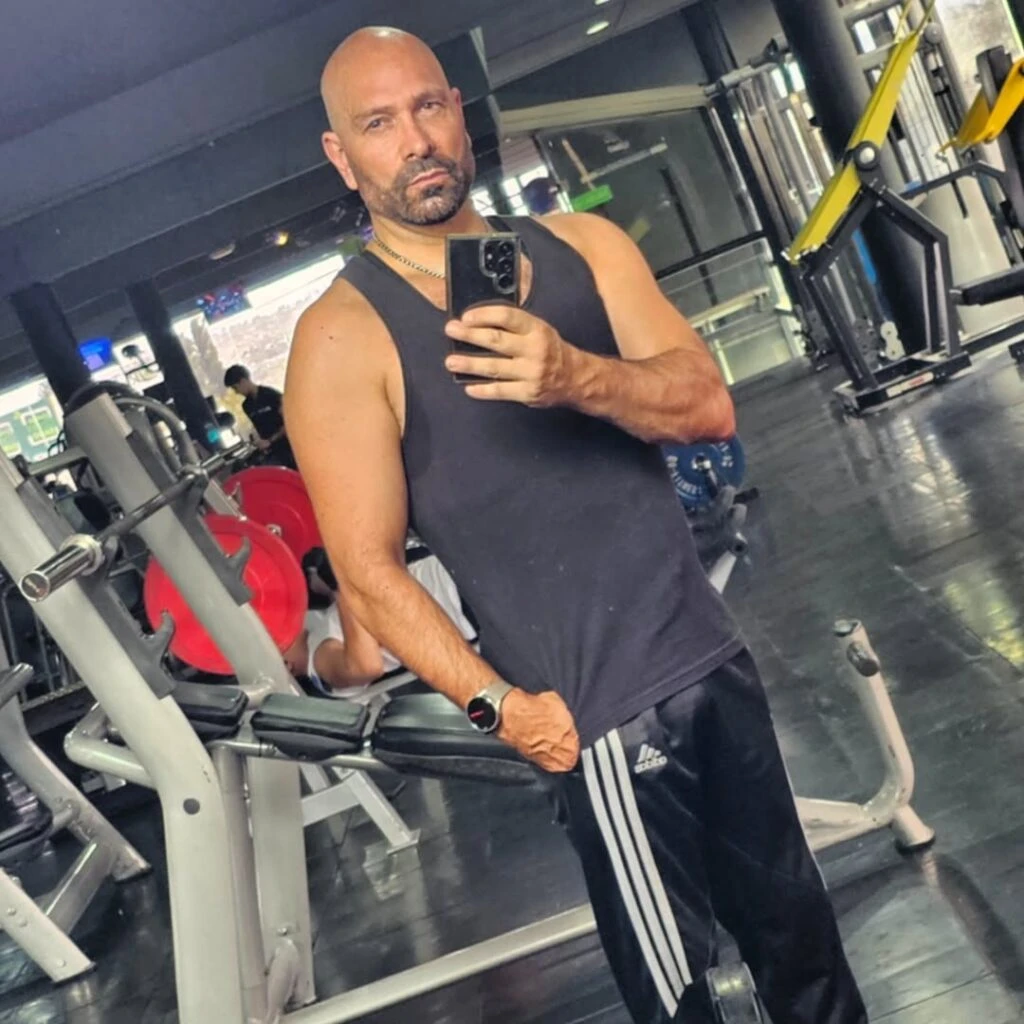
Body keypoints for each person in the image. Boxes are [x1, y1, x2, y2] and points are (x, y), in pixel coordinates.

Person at [284, 26, 866, 1024]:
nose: (415, 140)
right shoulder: (341, 336)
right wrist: (497, 710)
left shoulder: (582, 248)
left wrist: (574, 376)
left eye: (428, 106)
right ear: (343, 157)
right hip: (590, 716)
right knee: (680, 1001)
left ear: (458, 113)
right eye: (378, 124)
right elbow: (367, 572)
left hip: (708, 656)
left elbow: (705, 405)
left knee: (803, 942)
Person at [284, 546, 477, 698]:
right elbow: (364, 667)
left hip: (448, 570)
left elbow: (358, 617)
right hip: (456, 598)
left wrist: (321, 584)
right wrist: (341, 584)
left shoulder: (318, 635)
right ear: (287, 665)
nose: (275, 630)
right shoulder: (319, 662)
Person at [223, 365, 296, 468]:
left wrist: (271, 440)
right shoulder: (247, 406)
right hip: (273, 452)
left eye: (235, 387)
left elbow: (290, 422)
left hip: (291, 446)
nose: (236, 392)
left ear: (243, 381)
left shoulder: (271, 395)